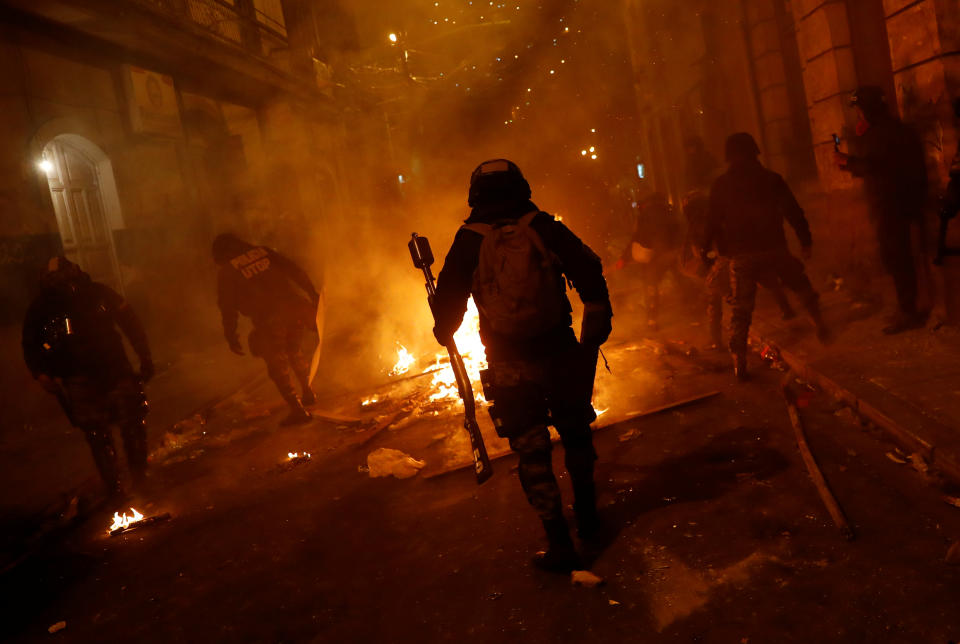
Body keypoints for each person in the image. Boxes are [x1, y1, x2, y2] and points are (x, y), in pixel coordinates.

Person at [432, 159, 613, 573]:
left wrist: (442, 323)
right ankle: (588, 516)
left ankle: (559, 543)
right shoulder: (544, 226)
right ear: (521, 186)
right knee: (576, 435)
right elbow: (590, 271)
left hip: (509, 363)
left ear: (475, 195)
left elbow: (448, 316)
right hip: (560, 353)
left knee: (532, 452)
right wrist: (594, 327)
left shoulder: (469, 241)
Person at [22, 256, 153, 498]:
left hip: (113, 371)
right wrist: (40, 374)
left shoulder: (96, 293)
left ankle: (137, 479)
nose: (65, 283)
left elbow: (129, 321)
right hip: (80, 378)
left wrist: (144, 355)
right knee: (98, 434)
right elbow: (30, 344)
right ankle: (117, 488)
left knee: (129, 425)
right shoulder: (41, 308)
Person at [705, 133, 828, 379]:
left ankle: (739, 361)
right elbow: (793, 211)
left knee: (741, 309)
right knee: (800, 284)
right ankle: (820, 324)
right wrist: (805, 240)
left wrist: (710, 252)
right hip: (775, 249)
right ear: (755, 153)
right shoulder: (771, 179)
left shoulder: (721, 185)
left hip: (743, 255)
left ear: (729, 157)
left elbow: (712, 223)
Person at [836, 85, 928, 334]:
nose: (858, 116)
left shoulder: (882, 134)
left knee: (898, 259)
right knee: (896, 258)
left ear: (868, 109)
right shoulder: (893, 130)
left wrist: (848, 162)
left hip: (892, 206)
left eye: (859, 110)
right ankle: (905, 307)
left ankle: (908, 311)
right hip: (898, 204)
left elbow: (878, 165)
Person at [213, 234, 321, 426]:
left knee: (276, 365)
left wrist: (231, 334)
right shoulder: (263, 252)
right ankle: (308, 392)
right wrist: (312, 293)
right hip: (294, 308)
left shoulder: (228, 272)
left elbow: (227, 307)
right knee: (294, 350)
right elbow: (295, 271)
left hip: (269, 318)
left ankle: (298, 410)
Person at [615, 193, 682, 331]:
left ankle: (652, 319)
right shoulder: (670, 211)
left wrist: (625, 258)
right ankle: (690, 306)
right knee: (679, 278)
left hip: (654, 255)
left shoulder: (645, 215)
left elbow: (638, 236)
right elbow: (679, 229)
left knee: (651, 286)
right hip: (672, 252)